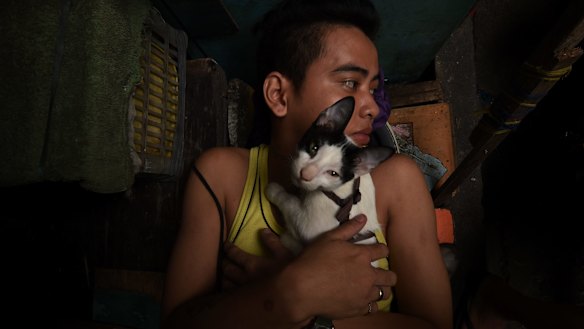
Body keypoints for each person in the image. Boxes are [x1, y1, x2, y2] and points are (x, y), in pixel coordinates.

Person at [161, 1, 452, 328]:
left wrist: (297, 303)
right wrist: (292, 292)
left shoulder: (397, 182)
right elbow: (176, 322)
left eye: (373, 89)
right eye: (350, 83)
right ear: (279, 96)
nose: (372, 106)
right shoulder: (222, 177)